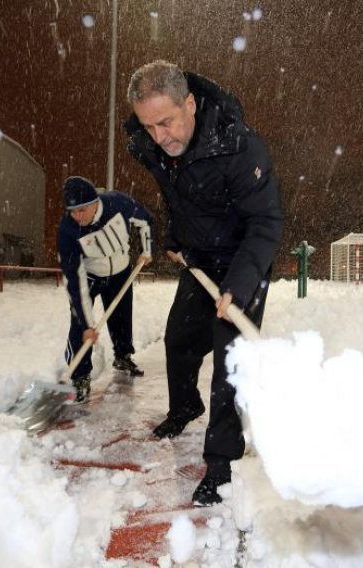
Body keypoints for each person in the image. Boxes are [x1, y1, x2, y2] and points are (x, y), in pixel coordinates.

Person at [124, 60, 284, 506]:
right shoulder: (151, 143)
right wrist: (176, 236)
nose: (159, 137)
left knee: (229, 365)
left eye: (167, 122)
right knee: (180, 339)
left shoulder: (241, 147)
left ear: (190, 104)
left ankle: (221, 463)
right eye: (148, 125)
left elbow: (266, 222)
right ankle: (184, 407)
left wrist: (240, 283)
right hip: (199, 259)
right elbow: (181, 192)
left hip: (242, 258)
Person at [56, 176, 155, 402]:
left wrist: (147, 250)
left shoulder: (118, 204)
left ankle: (123, 356)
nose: (76, 216)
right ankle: (80, 376)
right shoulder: (68, 230)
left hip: (120, 270)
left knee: (121, 315)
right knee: (79, 326)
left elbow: (146, 220)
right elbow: (74, 279)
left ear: (94, 203)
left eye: (81, 210)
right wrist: (86, 322)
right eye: (72, 211)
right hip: (90, 275)